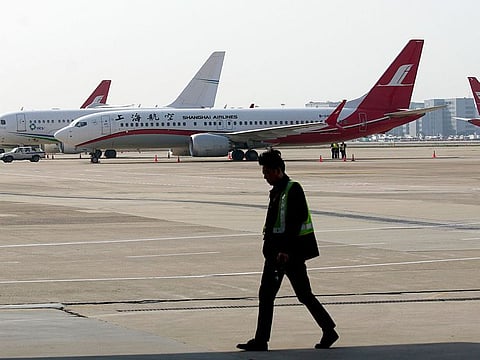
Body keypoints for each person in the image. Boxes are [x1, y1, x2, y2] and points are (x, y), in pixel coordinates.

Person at [237, 149, 338, 352]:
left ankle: (261, 340)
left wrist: (284, 250)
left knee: (270, 295)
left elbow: (294, 221)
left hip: (286, 254)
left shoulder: (293, 189)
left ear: (277, 170)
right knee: (299, 294)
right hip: (278, 253)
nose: (264, 176)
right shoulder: (278, 190)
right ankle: (328, 329)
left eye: (266, 172)